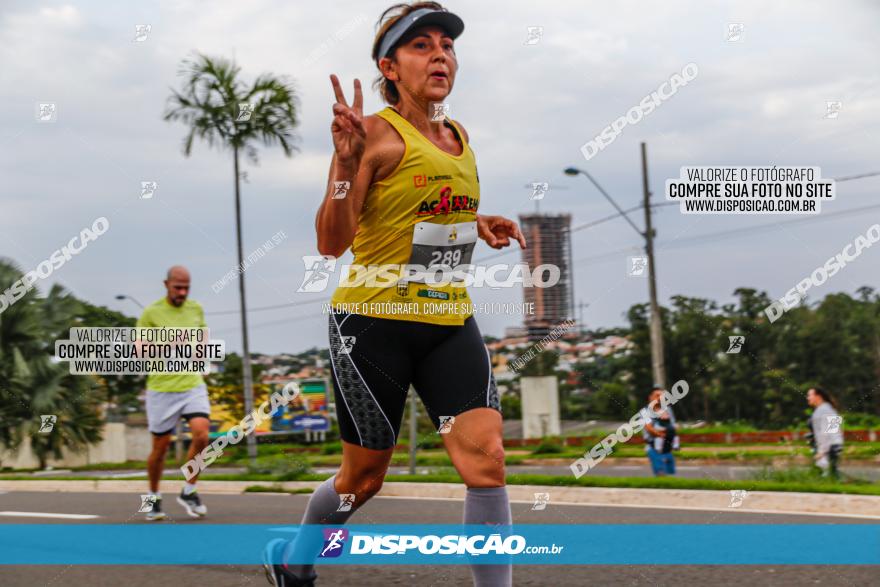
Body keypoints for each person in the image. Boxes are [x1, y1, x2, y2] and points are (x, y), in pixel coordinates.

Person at [264, 3, 526, 586]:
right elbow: (332, 242)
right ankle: (296, 560)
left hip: (448, 319)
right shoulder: (373, 135)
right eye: (421, 46)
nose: (440, 54)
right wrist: (344, 161)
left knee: (487, 461)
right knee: (363, 481)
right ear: (389, 65)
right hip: (371, 323)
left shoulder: (457, 135)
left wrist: (476, 221)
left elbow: (423, 204)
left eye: (447, 45)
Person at [137, 265, 211, 520]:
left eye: (186, 288)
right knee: (160, 448)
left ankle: (189, 490)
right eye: (178, 287)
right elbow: (139, 350)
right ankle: (153, 497)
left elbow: (201, 339)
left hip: (191, 384)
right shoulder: (151, 313)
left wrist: (203, 360)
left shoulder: (196, 309)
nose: (182, 292)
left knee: (202, 435)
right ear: (165, 284)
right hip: (161, 389)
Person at [806, 387, 844, 479]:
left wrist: (822, 451)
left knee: (828, 474)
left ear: (818, 396)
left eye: (810, 395)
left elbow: (828, 433)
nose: (807, 398)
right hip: (831, 446)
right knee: (831, 473)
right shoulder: (826, 409)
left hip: (829, 448)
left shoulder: (825, 410)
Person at [640, 387, 678, 476]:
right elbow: (649, 429)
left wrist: (666, 432)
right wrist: (665, 432)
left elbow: (673, 426)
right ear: (650, 397)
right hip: (653, 448)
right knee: (661, 475)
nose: (660, 398)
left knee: (671, 474)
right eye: (657, 395)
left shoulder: (667, 409)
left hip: (668, 447)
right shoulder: (645, 412)